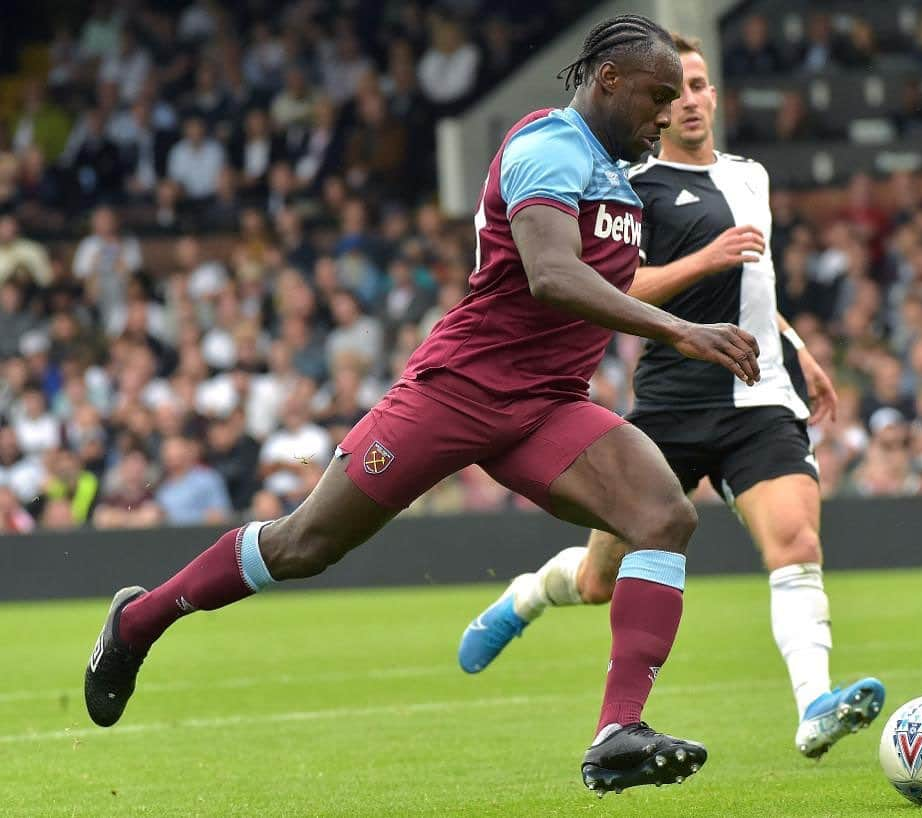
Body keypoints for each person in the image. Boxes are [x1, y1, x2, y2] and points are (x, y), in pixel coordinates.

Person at [84, 15, 762, 796]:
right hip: (458, 391)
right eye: (657, 95)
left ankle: (617, 733)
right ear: (608, 80)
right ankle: (138, 621)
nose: (667, 112)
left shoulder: (619, 176)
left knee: (663, 514)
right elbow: (551, 274)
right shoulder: (548, 146)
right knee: (304, 544)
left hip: (548, 406)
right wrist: (679, 330)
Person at [458, 33, 885, 761]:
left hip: (759, 397)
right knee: (599, 581)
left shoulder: (751, 176)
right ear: (654, 102)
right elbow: (616, 289)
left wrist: (799, 347)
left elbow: (756, 285)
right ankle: (530, 593)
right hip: (669, 404)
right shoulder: (632, 185)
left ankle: (815, 705)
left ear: (714, 95)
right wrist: (704, 259)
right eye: (672, 91)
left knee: (797, 541)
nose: (687, 102)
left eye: (698, 86)